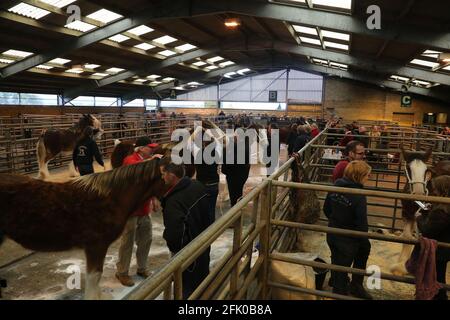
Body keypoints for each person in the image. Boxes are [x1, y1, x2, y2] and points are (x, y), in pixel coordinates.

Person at [160, 161, 212, 299]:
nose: (162, 177)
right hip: (203, 241)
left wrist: (176, 249)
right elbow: (209, 215)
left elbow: (175, 235)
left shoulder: (174, 202)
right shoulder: (198, 186)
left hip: (187, 252)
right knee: (202, 279)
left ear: (172, 175)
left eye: (163, 174)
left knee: (186, 286)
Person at [324, 160, 373, 299]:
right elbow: (361, 222)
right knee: (347, 261)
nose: (369, 178)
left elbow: (326, 209)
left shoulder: (336, 186)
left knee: (338, 258)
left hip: (333, 233)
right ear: (359, 176)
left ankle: (340, 280)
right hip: (348, 238)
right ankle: (344, 290)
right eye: (367, 175)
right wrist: (360, 236)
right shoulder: (358, 195)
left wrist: (337, 222)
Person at [115, 136, 160, 287]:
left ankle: (142, 267)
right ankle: (122, 272)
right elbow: (135, 169)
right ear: (140, 148)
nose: (152, 149)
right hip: (131, 210)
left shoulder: (147, 162)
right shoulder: (130, 160)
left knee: (146, 239)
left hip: (144, 207)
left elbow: (150, 182)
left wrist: (153, 199)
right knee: (127, 242)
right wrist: (152, 160)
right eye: (150, 147)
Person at [417, 175, 450, 300]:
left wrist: (419, 218)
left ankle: (439, 296)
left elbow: (427, 230)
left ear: (443, 190)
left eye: (436, 189)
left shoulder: (443, 211)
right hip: (444, 247)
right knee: (438, 274)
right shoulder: (443, 206)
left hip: (440, 249)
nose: (434, 191)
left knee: (437, 275)